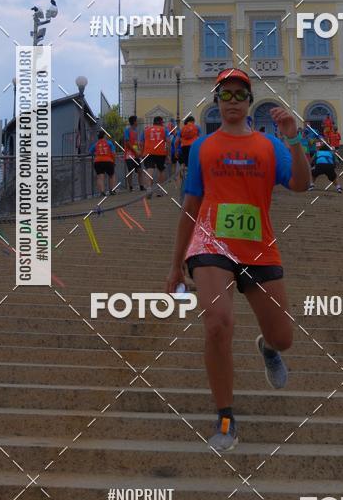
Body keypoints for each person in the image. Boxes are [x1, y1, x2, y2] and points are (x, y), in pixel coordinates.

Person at [166, 68, 311, 452]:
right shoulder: (203, 147)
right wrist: (176, 264)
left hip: (260, 249)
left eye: (239, 95)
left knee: (284, 338)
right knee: (217, 323)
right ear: (217, 103)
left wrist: (294, 140)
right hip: (211, 246)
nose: (232, 101)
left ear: (249, 102)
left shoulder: (270, 146)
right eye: (225, 95)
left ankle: (267, 348)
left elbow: (301, 184)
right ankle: (226, 416)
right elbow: (191, 206)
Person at [141, 116, 169, 198]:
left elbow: (141, 142)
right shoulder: (164, 130)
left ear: (153, 122)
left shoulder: (146, 130)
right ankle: (160, 190)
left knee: (149, 169)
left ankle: (149, 188)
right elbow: (168, 142)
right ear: (160, 122)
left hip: (148, 152)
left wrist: (142, 152)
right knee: (161, 170)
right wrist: (168, 154)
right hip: (160, 152)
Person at [89, 130, 116, 195]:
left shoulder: (95, 144)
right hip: (108, 161)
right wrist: (114, 161)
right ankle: (112, 190)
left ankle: (102, 192)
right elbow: (113, 153)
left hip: (98, 161)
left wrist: (96, 153)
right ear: (104, 136)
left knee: (100, 177)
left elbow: (90, 152)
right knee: (111, 175)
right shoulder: (109, 143)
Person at [123, 115, 144, 191]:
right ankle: (131, 187)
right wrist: (135, 151)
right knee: (130, 171)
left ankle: (141, 186)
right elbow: (127, 143)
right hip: (129, 155)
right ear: (134, 122)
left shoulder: (136, 131)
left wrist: (139, 151)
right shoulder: (127, 131)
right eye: (136, 120)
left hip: (136, 155)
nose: (137, 122)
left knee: (139, 170)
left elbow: (137, 143)